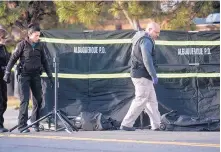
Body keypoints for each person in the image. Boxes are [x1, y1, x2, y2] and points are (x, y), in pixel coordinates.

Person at [3, 24, 53, 133]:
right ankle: (22, 125)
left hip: (35, 76)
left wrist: (50, 76)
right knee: (24, 101)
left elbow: (45, 61)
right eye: (36, 35)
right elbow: (12, 59)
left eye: (39, 35)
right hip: (24, 76)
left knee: (38, 100)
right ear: (30, 35)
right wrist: (7, 73)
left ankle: (35, 123)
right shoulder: (22, 45)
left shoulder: (40, 46)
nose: (38, 38)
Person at [120, 21, 161, 131]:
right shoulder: (146, 41)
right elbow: (146, 59)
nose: (158, 35)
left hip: (142, 75)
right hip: (142, 75)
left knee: (151, 101)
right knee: (141, 100)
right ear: (149, 29)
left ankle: (157, 125)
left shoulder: (142, 38)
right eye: (156, 32)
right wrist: (153, 75)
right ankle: (126, 124)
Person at [0, 27, 10, 133]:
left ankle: (1, 123)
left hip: (3, 78)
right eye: (3, 38)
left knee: (4, 101)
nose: (5, 40)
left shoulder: (4, 48)